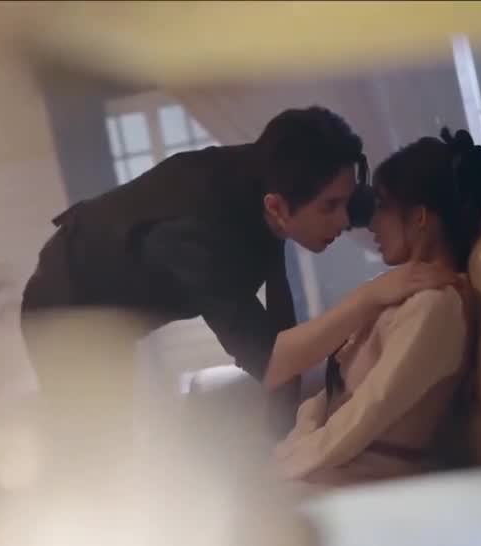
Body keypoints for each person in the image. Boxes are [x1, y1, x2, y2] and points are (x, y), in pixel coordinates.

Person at [20, 106, 367, 459]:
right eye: (330, 207)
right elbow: (270, 362)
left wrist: (284, 432)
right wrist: (371, 296)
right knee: (96, 450)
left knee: (113, 445)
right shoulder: (201, 230)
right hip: (63, 309)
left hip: (105, 307)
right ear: (276, 206)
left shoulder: (272, 174)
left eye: (347, 202)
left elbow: (278, 337)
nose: (344, 221)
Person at [268, 128, 481, 491]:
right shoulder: (399, 294)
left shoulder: (437, 306)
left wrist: (291, 466)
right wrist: (291, 450)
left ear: (420, 218)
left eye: (383, 206)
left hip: (366, 484)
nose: (372, 223)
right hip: (335, 470)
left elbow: (369, 409)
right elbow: (332, 399)